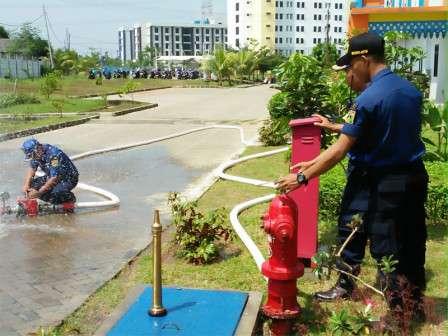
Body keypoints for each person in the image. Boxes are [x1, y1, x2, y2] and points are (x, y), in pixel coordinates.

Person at [275, 32, 428, 327]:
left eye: (350, 66)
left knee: (387, 247)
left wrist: (302, 176)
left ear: (364, 59)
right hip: (410, 177)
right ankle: (410, 302)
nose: (349, 72)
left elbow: (339, 151)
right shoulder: (410, 91)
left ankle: (398, 317)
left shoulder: (367, 98)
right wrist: (317, 156)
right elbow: (377, 134)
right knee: (403, 239)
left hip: (381, 182)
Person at [21, 139, 79, 204]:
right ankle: (53, 201)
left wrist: (38, 193)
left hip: (68, 178)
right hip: (52, 176)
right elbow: (32, 168)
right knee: (32, 186)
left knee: (55, 194)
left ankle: (68, 198)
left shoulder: (54, 156)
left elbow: (54, 178)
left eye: (34, 156)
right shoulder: (35, 153)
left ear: (40, 148)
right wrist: (26, 185)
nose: (34, 158)